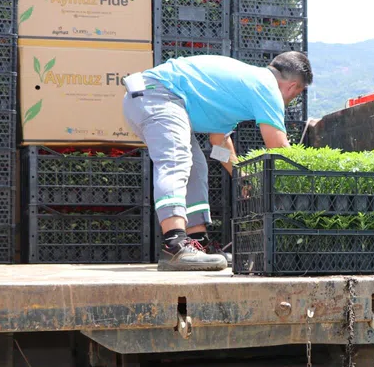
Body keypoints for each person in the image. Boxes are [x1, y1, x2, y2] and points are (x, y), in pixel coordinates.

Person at [122, 52, 313, 271]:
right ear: (293, 87)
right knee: (177, 160)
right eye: (297, 93)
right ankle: (175, 246)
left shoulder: (245, 86)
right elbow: (278, 148)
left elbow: (219, 142)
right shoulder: (266, 87)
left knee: (196, 167)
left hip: (150, 98)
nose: (292, 99)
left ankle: (197, 243)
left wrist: (243, 179)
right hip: (157, 96)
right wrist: (305, 179)